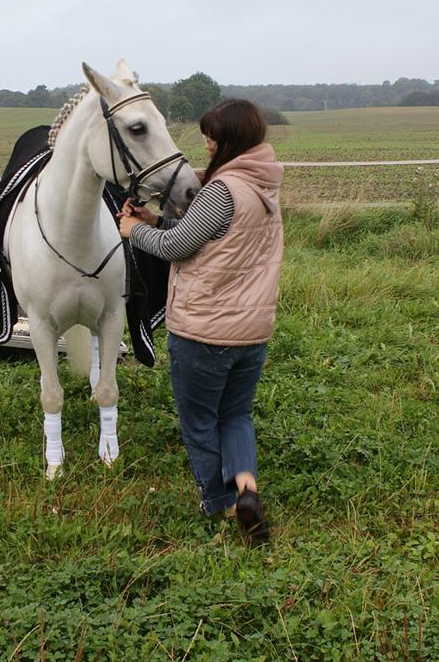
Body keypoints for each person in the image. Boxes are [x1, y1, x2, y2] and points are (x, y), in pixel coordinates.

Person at [118, 98, 283, 544]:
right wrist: (156, 217)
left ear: (229, 140)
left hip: (205, 331)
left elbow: (178, 246)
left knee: (200, 421)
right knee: (236, 415)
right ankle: (246, 488)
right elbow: (210, 233)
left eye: (212, 137)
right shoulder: (264, 184)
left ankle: (221, 504)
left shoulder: (221, 189)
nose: (206, 145)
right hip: (252, 331)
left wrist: (136, 231)